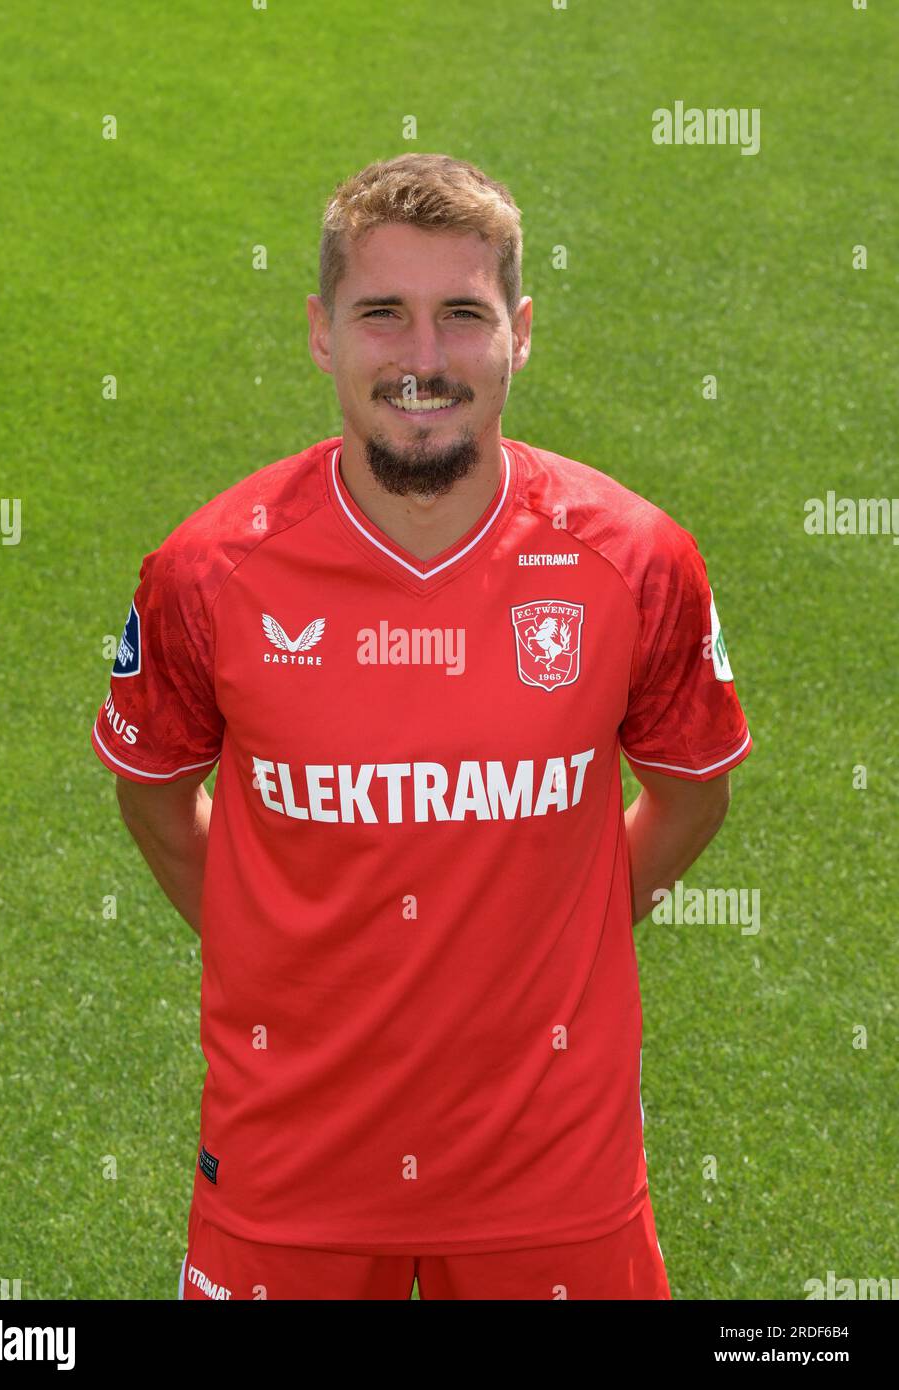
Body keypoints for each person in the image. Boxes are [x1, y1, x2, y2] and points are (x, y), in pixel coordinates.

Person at [91, 153, 752, 1300]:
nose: (424, 361)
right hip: (288, 1167)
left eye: (462, 315)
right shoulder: (208, 571)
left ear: (521, 331)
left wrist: (570, 919)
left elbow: (691, 791)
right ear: (321, 331)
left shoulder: (637, 560)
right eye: (382, 316)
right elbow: (154, 794)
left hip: (554, 1170)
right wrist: (276, 948)